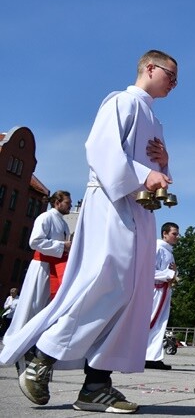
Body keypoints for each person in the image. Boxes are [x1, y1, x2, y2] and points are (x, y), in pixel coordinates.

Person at [2, 49, 177, 414]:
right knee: (106, 280)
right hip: (111, 202)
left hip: (139, 208)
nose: (175, 83)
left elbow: (149, 167)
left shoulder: (154, 120)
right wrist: (146, 174)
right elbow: (100, 149)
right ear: (149, 67)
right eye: (170, 75)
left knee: (132, 293)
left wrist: (162, 164)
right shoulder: (122, 101)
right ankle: (42, 357)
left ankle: (97, 384)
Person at [3, 191, 72, 345]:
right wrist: (62, 245)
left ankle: (38, 341)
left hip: (55, 267)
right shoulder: (45, 217)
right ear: (57, 202)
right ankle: (21, 338)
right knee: (34, 303)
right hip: (42, 267)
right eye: (68, 202)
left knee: (47, 305)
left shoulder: (64, 223)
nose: (71, 205)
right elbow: (35, 242)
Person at [145, 221, 179, 370]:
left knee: (160, 324)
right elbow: (148, 271)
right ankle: (147, 356)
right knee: (151, 322)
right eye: (174, 234)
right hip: (155, 290)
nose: (177, 237)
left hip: (164, 290)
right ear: (165, 234)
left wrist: (173, 274)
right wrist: (170, 274)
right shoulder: (158, 248)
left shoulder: (168, 251)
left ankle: (153, 356)